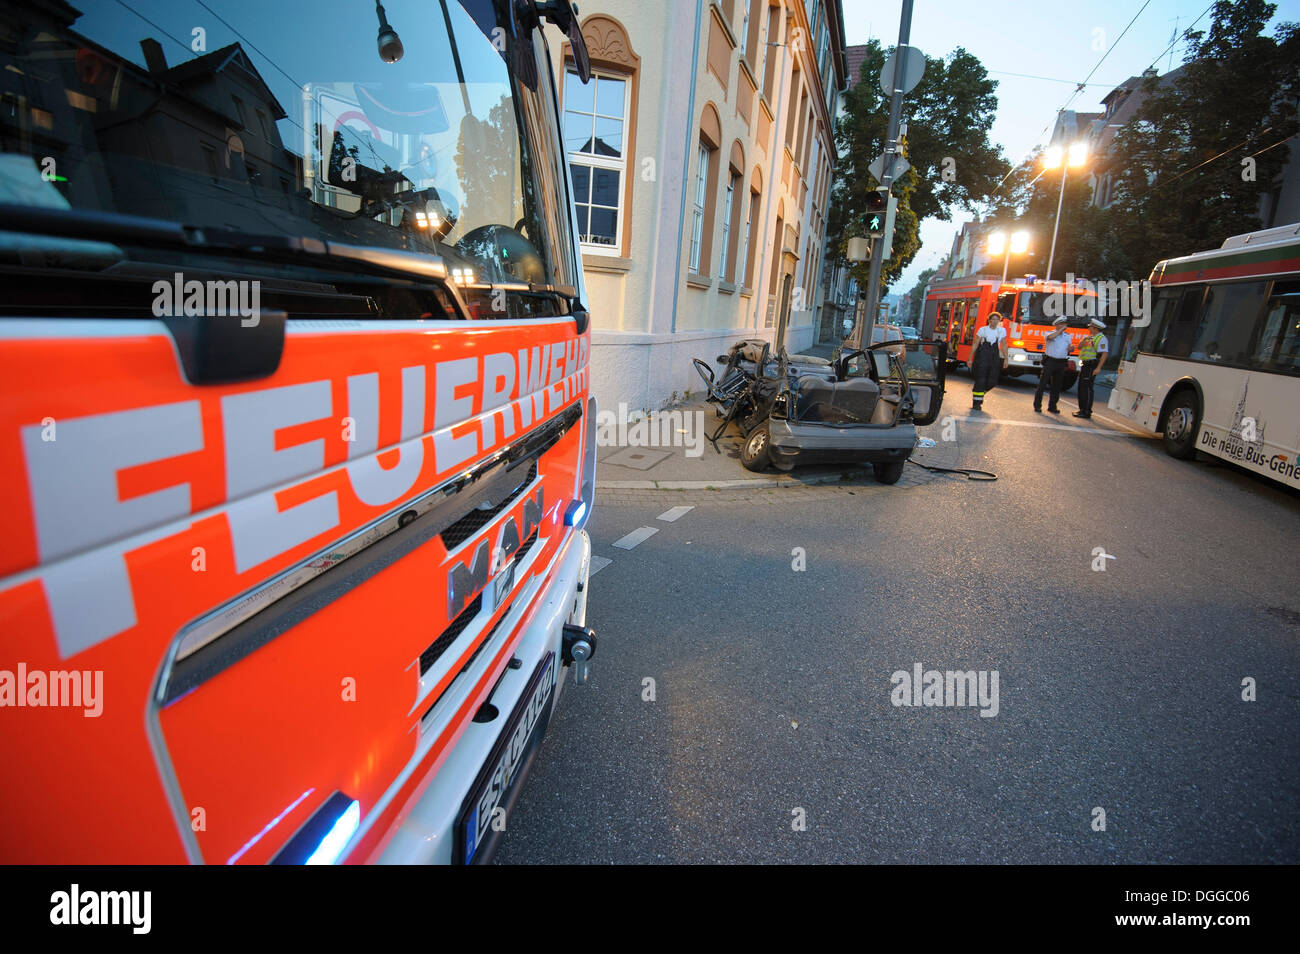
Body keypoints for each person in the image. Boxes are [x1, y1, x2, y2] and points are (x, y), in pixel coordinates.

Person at [970, 312, 1008, 411]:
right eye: (993, 319)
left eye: (997, 320)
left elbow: (1004, 345)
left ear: (999, 321)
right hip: (982, 357)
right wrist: (970, 358)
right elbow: (975, 344)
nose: (995, 321)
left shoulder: (1002, 331)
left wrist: (1006, 359)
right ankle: (977, 403)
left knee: (992, 381)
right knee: (981, 379)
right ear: (989, 320)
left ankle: (979, 391)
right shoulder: (982, 330)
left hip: (994, 357)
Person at [1034, 315, 1072, 414]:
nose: (1064, 326)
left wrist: (1071, 348)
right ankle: (1037, 405)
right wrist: (1059, 331)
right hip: (1050, 361)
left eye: (1065, 324)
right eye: (1062, 324)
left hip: (1061, 362)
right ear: (1057, 325)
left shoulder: (1067, 336)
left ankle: (1052, 406)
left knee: (1056, 386)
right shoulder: (1049, 333)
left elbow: (1069, 346)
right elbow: (1050, 338)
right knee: (1042, 384)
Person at [1074, 317, 1109, 419]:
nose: (1089, 328)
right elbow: (1079, 347)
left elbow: (1104, 354)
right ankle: (1081, 409)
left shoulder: (1101, 339)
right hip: (1085, 365)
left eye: (1090, 327)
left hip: (1091, 366)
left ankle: (1086, 411)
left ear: (1095, 328)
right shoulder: (1089, 337)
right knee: (1081, 387)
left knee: (1087, 388)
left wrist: (1098, 368)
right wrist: (1083, 342)